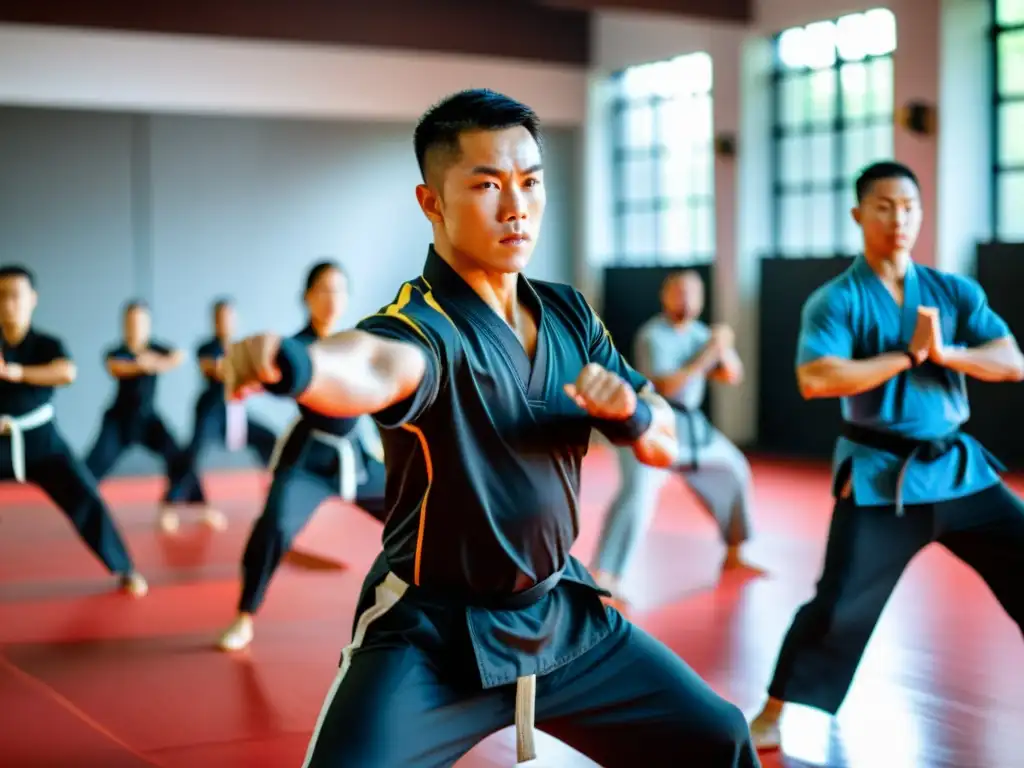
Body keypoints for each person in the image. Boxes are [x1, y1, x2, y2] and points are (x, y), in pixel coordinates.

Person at [224, 89, 758, 767]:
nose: (517, 207)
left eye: (531, 183)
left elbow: (666, 446)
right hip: (431, 639)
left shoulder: (571, 317)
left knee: (718, 737)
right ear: (432, 203)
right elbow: (370, 361)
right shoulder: (424, 328)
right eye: (487, 185)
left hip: (561, 614)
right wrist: (292, 364)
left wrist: (630, 411)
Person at [748, 161, 1024, 752]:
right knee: (841, 602)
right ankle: (773, 709)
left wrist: (944, 353)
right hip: (881, 476)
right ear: (858, 214)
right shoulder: (836, 299)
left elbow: (1010, 361)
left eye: (908, 207)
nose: (898, 218)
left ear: (920, 215)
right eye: (883, 205)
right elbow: (817, 377)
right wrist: (907, 355)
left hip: (957, 469)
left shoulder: (953, 291)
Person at [217, 262, 389, 653]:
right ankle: (244, 615)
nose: (331, 299)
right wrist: (249, 380)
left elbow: (379, 393)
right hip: (307, 458)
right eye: (323, 290)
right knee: (275, 525)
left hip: (355, 458)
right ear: (307, 297)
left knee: (415, 507)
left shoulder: (355, 342)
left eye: (339, 290)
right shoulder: (297, 347)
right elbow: (274, 370)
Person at [591, 270, 760, 610]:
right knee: (637, 494)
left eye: (693, 294)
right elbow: (668, 387)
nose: (686, 300)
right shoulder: (653, 335)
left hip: (692, 426)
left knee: (734, 469)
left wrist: (721, 346)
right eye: (679, 292)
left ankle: (734, 553)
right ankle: (605, 579)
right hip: (649, 422)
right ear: (665, 296)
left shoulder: (701, 333)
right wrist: (708, 353)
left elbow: (732, 374)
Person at [0, 266, 147, 597]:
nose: (8, 303)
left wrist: (13, 371)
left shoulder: (46, 344)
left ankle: (124, 567)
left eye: (15, 295)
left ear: (32, 299)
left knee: (84, 495)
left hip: (40, 440)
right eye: (1, 296)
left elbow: (66, 372)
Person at [84, 300, 210, 533]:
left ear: (148, 324)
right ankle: (79, 507)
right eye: (131, 322)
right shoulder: (117, 351)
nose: (135, 326)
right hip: (118, 421)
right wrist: (143, 365)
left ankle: (184, 506)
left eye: (140, 322)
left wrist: (154, 362)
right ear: (124, 324)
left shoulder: (155, 348)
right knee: (92, 467)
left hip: (149, 420)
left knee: (181, 458)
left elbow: (178, 356)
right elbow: (115, 367)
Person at [162, 297, 277, 531]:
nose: (225, 322)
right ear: (214, 321)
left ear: (235, 320)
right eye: (220, 318)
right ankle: (170, 505)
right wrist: (245, 369)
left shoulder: (243, 346)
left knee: (272, 441)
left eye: (229, 318)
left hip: (236, 411)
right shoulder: (206, 347)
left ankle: (275, 498)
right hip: (211, 410)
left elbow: (258, 377)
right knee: (193, 452)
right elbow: (215, 369)